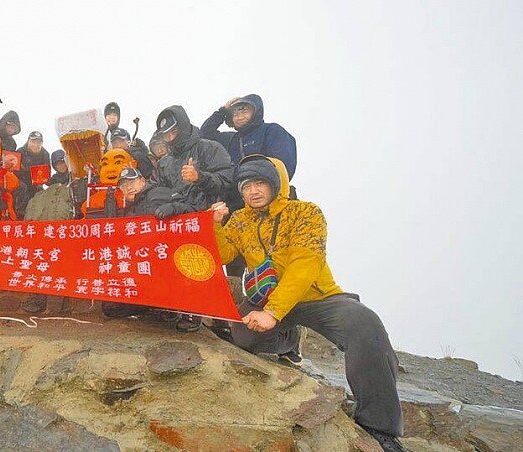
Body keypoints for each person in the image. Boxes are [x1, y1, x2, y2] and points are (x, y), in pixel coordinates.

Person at [212, 155, 404, 451]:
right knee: (241, 335)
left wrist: (273, 313)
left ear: (277, 183)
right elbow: (224, 254)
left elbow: (306, 263)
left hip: (318, 297)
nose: (253, 191)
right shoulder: (240, 221)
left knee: (365, 325)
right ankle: (289, 340)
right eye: (246, 185)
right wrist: (215, 224)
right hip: (266, 298)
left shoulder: (306, 213)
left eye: (260, 182)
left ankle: (379, 427)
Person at [101, 167, 199, 329]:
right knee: (111, 308)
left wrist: (173, 208)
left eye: (132, 182)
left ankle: (191, 313)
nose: (129, 187)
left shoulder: (160, 193)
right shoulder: (129, 210)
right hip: (147, 265)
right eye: (124, 186)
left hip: (173, 259)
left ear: (142, 181)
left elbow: (193, 208)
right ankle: (159, 305)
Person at [152, 105, 234, 214]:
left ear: (183, 127)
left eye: (174, 131)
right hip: (178, 222)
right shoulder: (163, 163)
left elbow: (226, 181)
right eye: (166, 135)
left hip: (211, 218)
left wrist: (199, 177)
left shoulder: (210, 148)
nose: (171, 138)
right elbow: (156, 191)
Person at [200, 94, 296, 179]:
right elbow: (205, 134)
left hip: (268, 191)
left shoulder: (271, 130)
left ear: (256, 111)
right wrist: (223, 110)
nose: (239, 117)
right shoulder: (231, 139)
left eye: (244, 111)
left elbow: (283, 165)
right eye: (235, 114)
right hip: (240, 193)